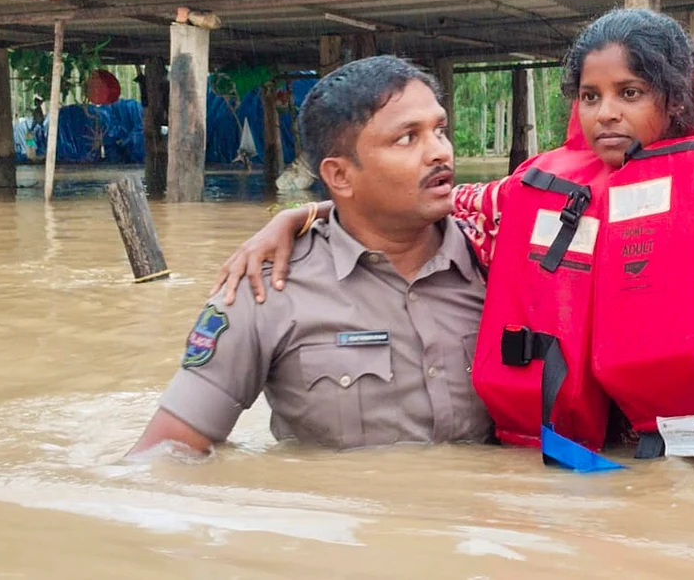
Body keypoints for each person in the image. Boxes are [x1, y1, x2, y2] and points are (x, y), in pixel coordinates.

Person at [211, 9, 694, 458]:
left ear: (676, 101)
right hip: (586, 450)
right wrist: (297, 215)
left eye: (631, 93)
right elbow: (413, 205)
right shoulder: (524, 196)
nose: (608, 113)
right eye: (592, 96)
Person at [128, 56, 491, 456]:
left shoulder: (498, 258)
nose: (439, 152)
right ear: (340, 176)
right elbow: (165, 455)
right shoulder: (265, 288)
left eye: (440, 130)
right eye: (407, 138)